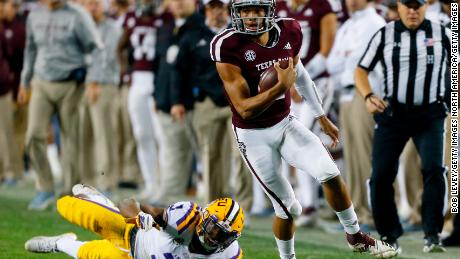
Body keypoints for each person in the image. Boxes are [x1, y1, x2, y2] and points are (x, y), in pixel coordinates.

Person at [210, 0, 397, 258]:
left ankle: (355, 236)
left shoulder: (289, 31)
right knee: (288, 208)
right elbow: (244, 108)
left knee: (329, 173)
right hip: (253, 136)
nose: (251, 17)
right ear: (237, 13)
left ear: (270, 10)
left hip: (285, 123)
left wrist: (320, 115)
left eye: (257, 10)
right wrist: (280, 87)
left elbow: (301, 73)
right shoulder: (227, 46)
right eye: (245, 11)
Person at [355, 0, 451, 253]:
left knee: (433, 169)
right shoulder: (384, 34)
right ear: (398, 6)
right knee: (381, 176)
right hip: (393, 112)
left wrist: (455, 104)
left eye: (417, 5)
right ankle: (389, 233)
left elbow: (457, 68)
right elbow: (361, 70)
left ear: (427, 6)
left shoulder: (443, 32)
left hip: (430, 113)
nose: (412, 10)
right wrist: (367, 96)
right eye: (407, 5)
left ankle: (432, 234)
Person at [17, 0, 103, 210]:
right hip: (41, 81)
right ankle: (45, 187)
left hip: (71, 83)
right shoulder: (34, 15)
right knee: (33, 136)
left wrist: (94, 79)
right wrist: (24, 81)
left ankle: (68, 192)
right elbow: (30, 49)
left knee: (70, 139)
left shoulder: (78, 14)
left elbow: (96, 48)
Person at [171, 0, 253, 212]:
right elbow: (179, 70)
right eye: (213, 7)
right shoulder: (193, 36)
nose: (218, 12)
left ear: (229, 10)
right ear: (205, 9)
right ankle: (214, 204)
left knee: (242, 151)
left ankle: (244, 205)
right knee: (210, 154)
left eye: (222, 7)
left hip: (237, 101)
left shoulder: (241, 36)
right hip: (206, 102)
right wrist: (178, 101)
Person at [24, 184, 244, 258]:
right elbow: (129, 203)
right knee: (67, 205)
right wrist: (140, 216)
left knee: (87, 254)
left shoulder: (229, 253)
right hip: (130, 233)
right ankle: (97, 200)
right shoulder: (183, 219)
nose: (213, 238)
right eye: (214, 229)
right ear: (204, 217)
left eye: (222, 235)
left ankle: (58, 243)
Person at [327, 0, 386, 231]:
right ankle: (358, 212)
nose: (350, 1)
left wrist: (346, 56)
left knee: (366, 157)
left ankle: (372, 214)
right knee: (351, 157)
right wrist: (346, 56)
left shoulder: (374, 22)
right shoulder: (348, 25)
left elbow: (358, 61)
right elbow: (333, 64)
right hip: (345, 94)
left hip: (366, 93)